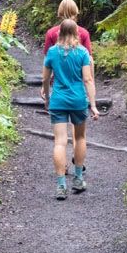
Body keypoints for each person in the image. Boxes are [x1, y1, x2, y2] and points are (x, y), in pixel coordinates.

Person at [41, 19, 99, 200]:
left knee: (59, 142)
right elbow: (88, 80)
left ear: (59, 33)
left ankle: (60, 186)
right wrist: (93, 105)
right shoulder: (82, 53)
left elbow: (45, 79)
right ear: (76, 33)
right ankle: (79, 179)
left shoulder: (52, 52)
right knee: (80, 137)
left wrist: (48, 98)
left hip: (58, 101)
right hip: (78, 101)